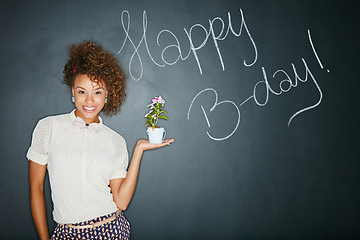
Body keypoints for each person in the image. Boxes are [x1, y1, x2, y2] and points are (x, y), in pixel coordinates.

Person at [27, 41, 174, 240]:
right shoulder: (48, 127)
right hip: (68, 233)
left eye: (97, 92)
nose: (89, 101)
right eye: (82, 92)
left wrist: (138, 150)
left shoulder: (116, 141)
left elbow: (121, 202)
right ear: (72, 91)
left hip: (112, 230)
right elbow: (36, 188)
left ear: (107, 94)